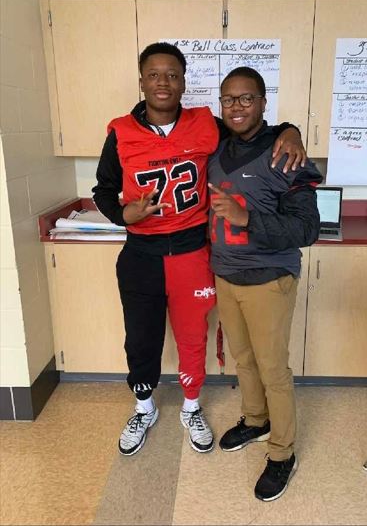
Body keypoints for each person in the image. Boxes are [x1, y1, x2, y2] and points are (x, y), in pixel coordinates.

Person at [92, 42, 306, 458]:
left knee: (193, 336)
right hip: (142, 254)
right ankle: (144, 407)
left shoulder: (206, 123)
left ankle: (191, 406)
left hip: (192, 252)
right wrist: (124, 214)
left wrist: (290, 130)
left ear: (184, 82)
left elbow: (253, 130)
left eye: (172, 74)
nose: (162, 82)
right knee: (141, 337)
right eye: (154, 74)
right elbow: (102, 191)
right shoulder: (120, 131)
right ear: (141, 81)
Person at [208, 66, 322, 501]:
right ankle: (256, 421)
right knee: (244, 359)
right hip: (226, 274)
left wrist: (247, 219)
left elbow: (307, 229)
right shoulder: (218, 148)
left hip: (269, 279)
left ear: (263, 102)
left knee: (274, 369)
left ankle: (282, 453)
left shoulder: (285, 154)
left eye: (247, 98)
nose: (237, 106)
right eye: (229, 99)